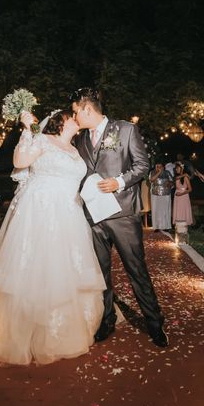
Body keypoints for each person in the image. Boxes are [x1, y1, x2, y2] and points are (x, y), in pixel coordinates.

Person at [0, 109, 106, 365]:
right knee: (38, 268)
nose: (76, 118)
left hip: (70, 214)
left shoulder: (76, 150)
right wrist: (26, 129)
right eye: (72, 115)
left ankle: (63, 330)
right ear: (61, 122)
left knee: (65, 269)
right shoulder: (43, 140)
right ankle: (30, 330)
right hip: (42, 211)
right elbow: (21, 161)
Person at [71, 87, 168, 348]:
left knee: (136, 269)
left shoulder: (125, 130)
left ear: (87, 109)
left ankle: (155, 323)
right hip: (93, 217)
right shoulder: (79, 140)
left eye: (75, 112)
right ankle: (107, 320)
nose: (75, 117)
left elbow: (142, 165)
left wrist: (120, 181)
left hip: (122, 214)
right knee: (100, 272)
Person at [149, 161, 173, 231]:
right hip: (155, 194)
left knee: (165, 210)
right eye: (157, 166)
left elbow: (172, 182)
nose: (158, 168)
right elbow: (151, 180)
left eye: (160, 167)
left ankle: (166, 226)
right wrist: (159, 172)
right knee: (156, 210)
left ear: (163, 167)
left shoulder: (167, 173)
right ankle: (157, 226)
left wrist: (169, 184)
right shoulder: (152, 172)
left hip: (166, 193)